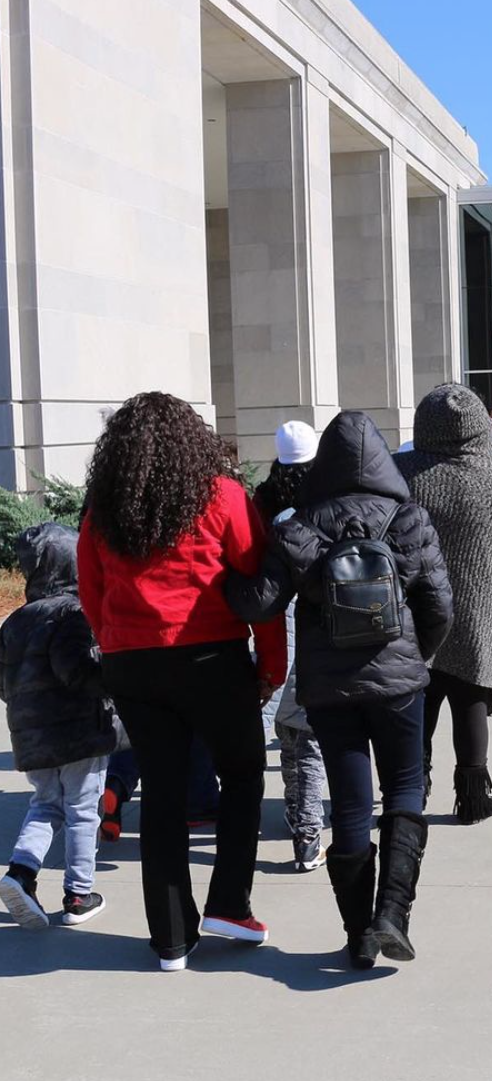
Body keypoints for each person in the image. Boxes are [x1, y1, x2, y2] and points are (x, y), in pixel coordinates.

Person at [226, 410, 453, 970]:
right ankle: (392, 916)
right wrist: (416, 655)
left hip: (329, 691)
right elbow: (439, 605)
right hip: (399, 684)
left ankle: (358, 935)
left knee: (350, 805)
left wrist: (222, 576)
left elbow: (259, 602)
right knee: (404, 790)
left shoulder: (301, 524)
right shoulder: (408, 518)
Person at [78, 391, 286, 972]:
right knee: (243, 776)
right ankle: (229, 904)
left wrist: (117, 642)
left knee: (163, 795)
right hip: (210, 657)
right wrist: (272, 665)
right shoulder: (222, 495)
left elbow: (90, 592)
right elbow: (257, 587)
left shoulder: (104, 508)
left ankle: (170, 939)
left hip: (132, 662)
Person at [397, 384, 492, 825]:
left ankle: (410, 791)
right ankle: (473, 799)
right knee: (469, 709)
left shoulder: (399, 473)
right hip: (475, 618)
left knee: (416, 711)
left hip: (413, 618)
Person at [0, 523, 115, 930]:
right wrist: (110, 675)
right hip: (79, 731)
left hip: (32, 735)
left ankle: (21, 873)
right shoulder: (71, 613)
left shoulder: (15, 622)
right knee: (84, 810)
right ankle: (79, 894)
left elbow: (5, 683)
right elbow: (77, 671)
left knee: (46, 805)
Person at [251, 420, 327, 874]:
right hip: (319, 632)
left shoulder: (264, 502)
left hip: (276, 633)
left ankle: (301, 823)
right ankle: (309, 833)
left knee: (291, 738)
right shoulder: (327, 498)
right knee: (312, 742)